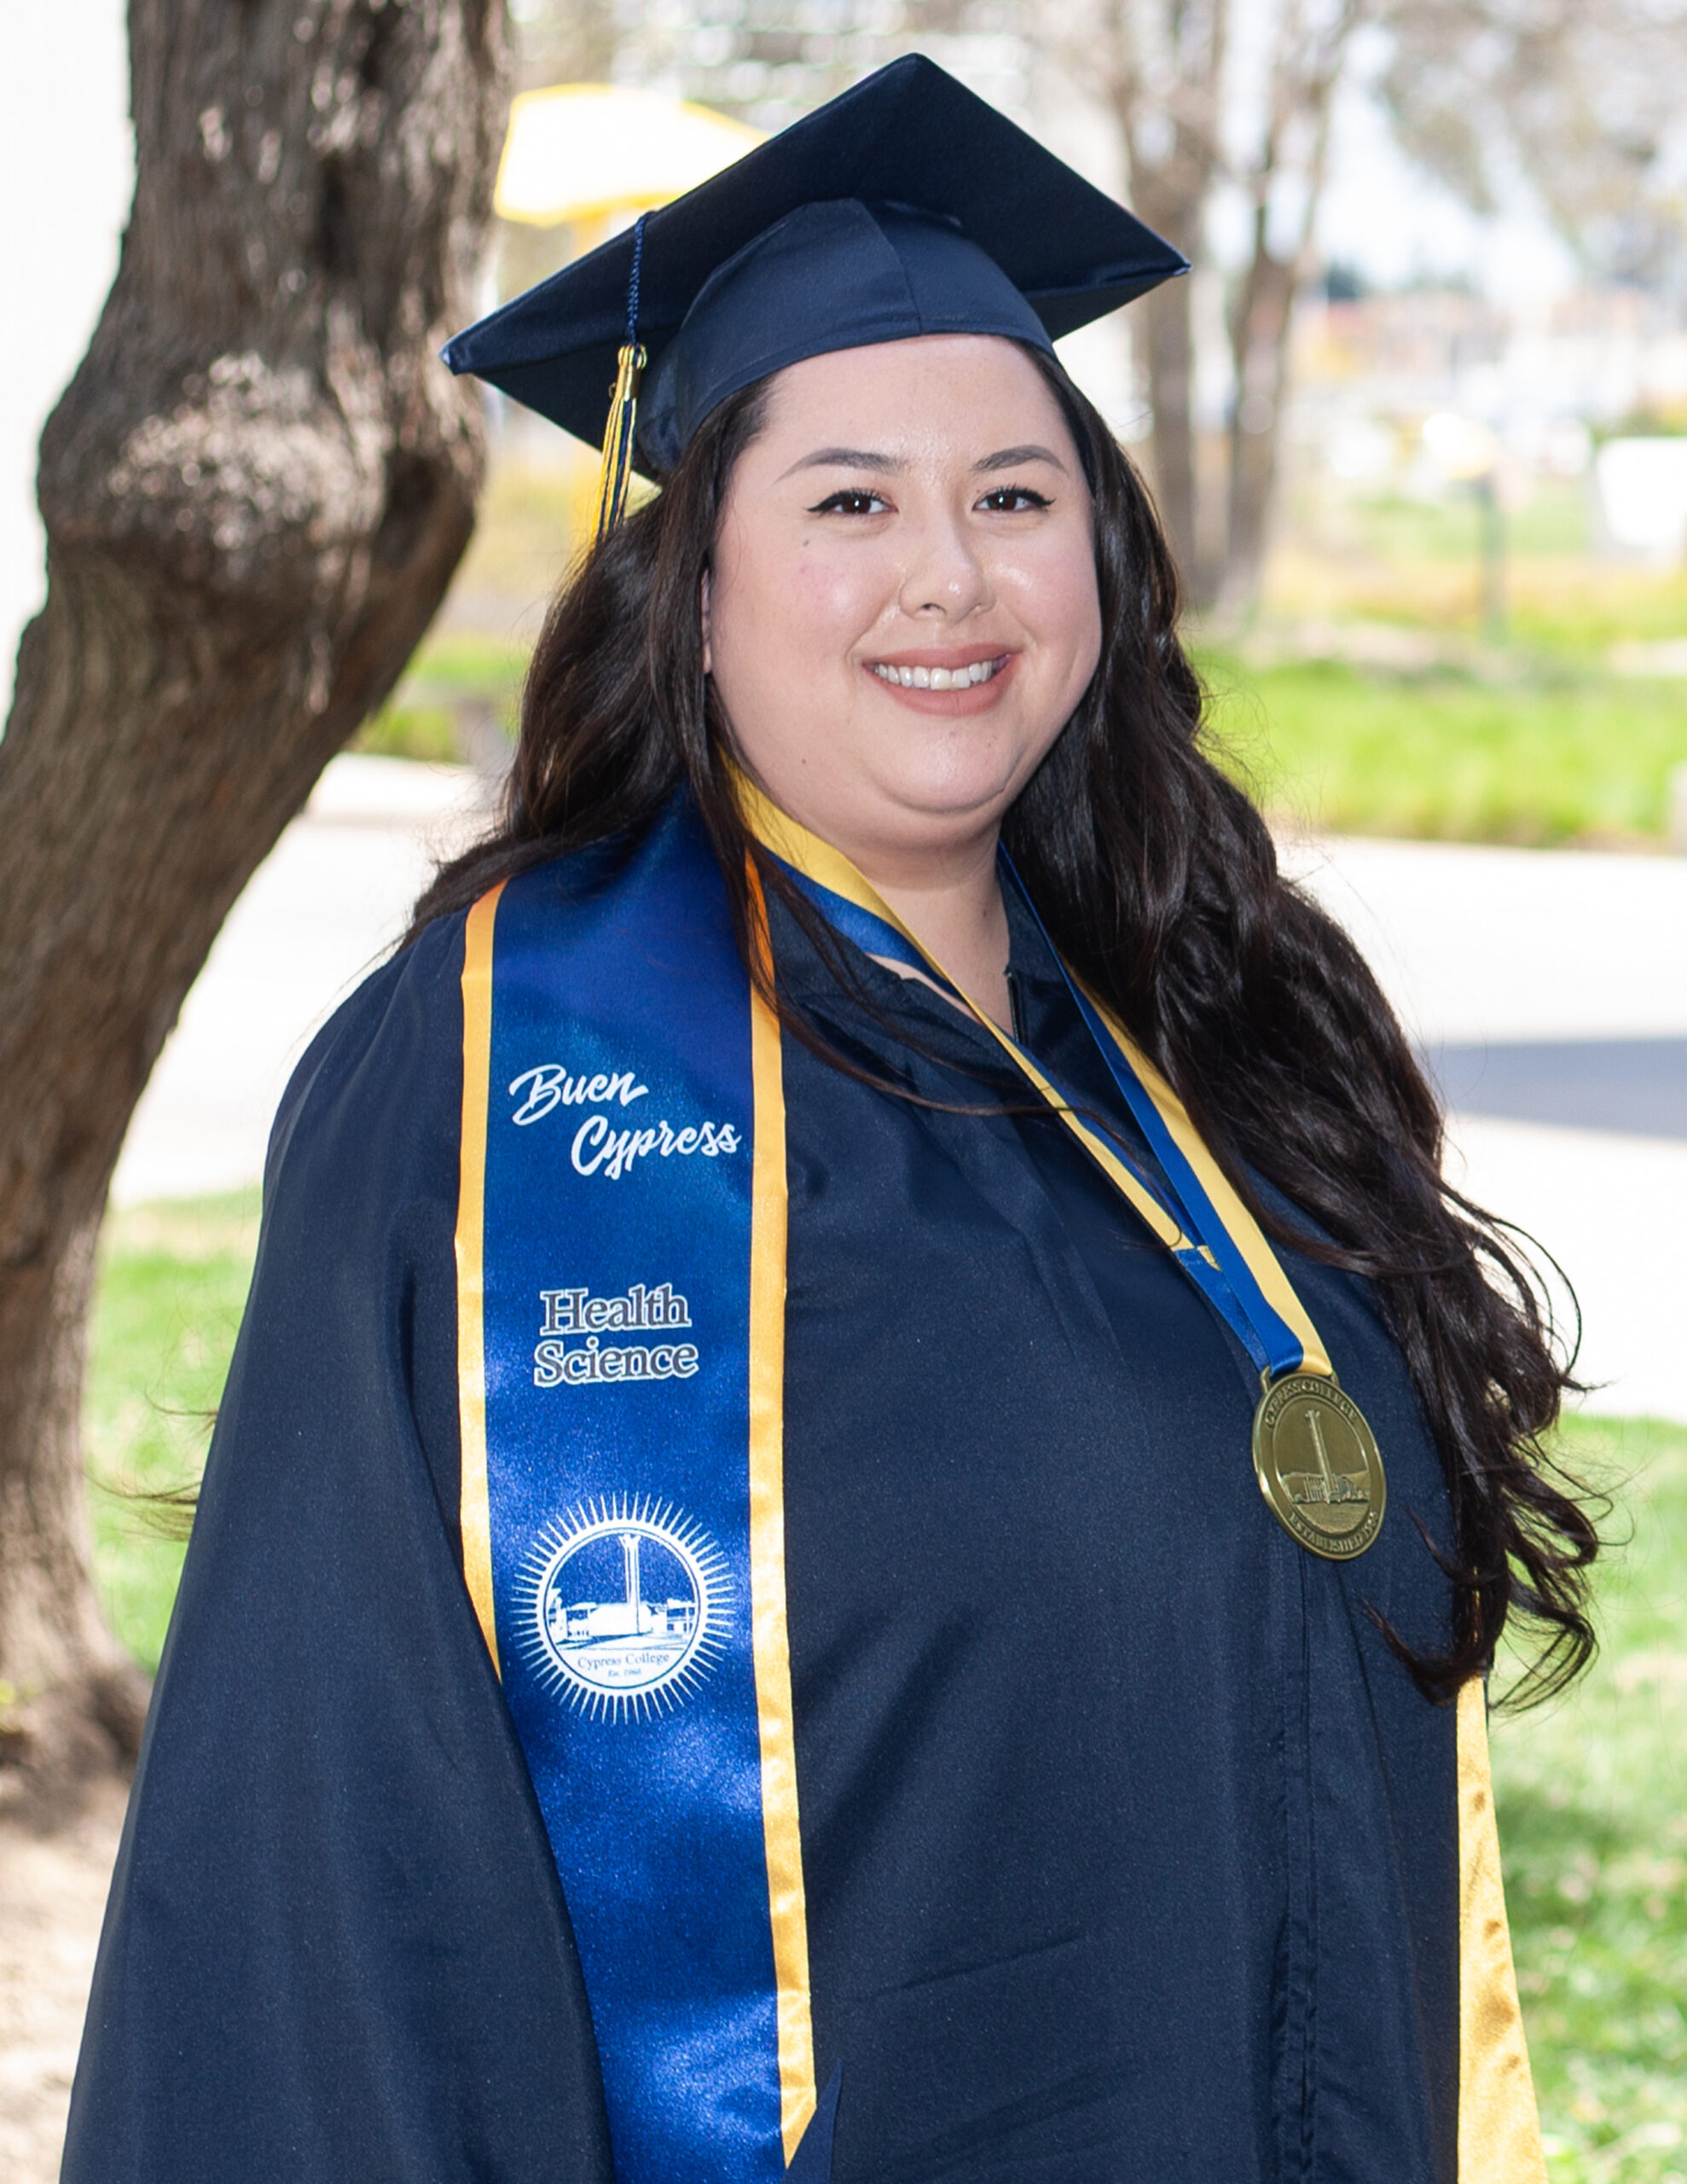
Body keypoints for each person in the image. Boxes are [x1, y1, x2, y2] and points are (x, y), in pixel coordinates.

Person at [65, 55, 1595, 2184]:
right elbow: (331, 1846)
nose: (946, 579)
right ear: (689, 583)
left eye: (1013, 492)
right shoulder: (498, 1075)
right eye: (850, 500)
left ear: (1100, 554)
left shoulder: (1205, 1022)